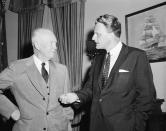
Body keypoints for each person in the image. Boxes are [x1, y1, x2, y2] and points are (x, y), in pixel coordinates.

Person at [59, 14, 156, 131]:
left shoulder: (137, 56)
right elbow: (90, 89)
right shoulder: (97, 60)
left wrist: (136, 125)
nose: (93, 38)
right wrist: (76, 96)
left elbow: (147, 97)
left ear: (111, 35)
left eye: (98, 34)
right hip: (96, 125)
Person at [0, 28, 74, 131]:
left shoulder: (62, 70)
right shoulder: (17, 68)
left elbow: (66, 103)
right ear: (37, 45)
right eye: (51, 43)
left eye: (55, 43)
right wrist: (12, 111)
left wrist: (68, 124)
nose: (55, 47)